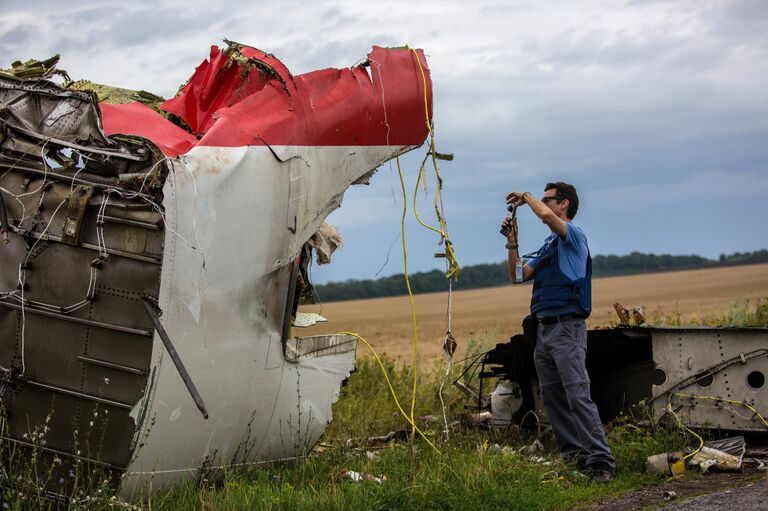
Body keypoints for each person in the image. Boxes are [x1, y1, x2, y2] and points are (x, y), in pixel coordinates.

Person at [501, 182, 616, 483]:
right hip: (544, 330)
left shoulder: (573, 236)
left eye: (548, 199)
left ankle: (601, 462)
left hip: (567, 328)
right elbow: (517, 276)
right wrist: (512, 242)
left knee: (578, 395)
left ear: (564, 204)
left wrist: (526, 196)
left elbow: (547, 218)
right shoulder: (550, 246)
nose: (543, 203)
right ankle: (574, 459)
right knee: (553, 399)